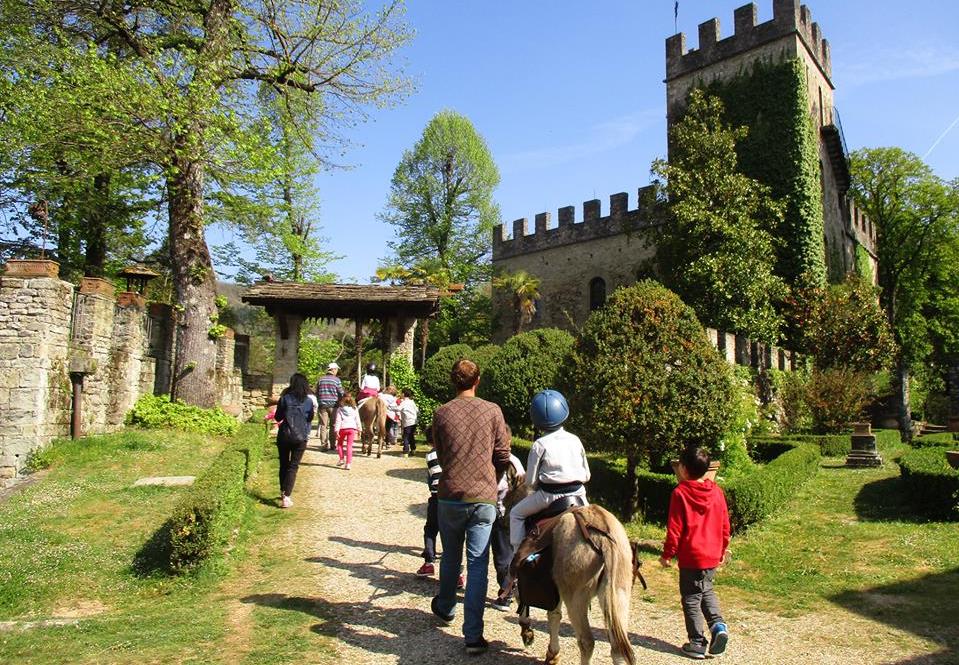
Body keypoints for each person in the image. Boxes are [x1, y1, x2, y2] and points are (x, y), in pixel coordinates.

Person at [430, 358, 511, 656]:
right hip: (483, 497)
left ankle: (447, 606)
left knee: (451, 556)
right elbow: (503, 454)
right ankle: (473, 636)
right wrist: (493, 477)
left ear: (454, 381)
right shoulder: (492, 411)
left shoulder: (441, 413)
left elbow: (439, 450)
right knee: (478, 564)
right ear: (477, 381)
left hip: (450, 495)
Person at [660, 445, 731, 660]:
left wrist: (667, 554)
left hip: (691, 556)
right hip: (711, 554)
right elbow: (725, 525)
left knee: (691, 597)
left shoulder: (680, 493)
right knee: (706, 590)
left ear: (682, 468)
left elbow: (675, 528)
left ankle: (697, 643)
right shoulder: (717, 492)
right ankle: (718, 626)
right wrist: (722, 549)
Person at [508, 389, 590, 551]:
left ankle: (518, 556)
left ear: (536, 419)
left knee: (516, 514)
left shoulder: (539, 444)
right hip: (579, 495)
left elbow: (530, 482)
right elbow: (587, 474)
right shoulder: (575, 439)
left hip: (549, 497)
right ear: (564, 412)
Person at [416, 426, 466, 587]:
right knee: (452, 535)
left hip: (437, 498)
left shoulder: (430, 455)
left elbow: (433, 477)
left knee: (430, 529)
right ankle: (457, 573)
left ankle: (429, 561)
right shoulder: (453, 453)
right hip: (453, 498)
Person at [274, 373, 315, 508]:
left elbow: (278, 417)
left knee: (284, 464)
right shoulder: (308, 401)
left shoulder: (285, 399)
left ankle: (282, 491)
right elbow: (310, 418)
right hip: (300, 437)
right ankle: (287, 496)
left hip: (284, 435)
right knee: (293, 466)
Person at [490, 450, 525, 611]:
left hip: (503, 515)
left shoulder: (498, 461)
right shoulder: (516, 460)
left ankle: (507, 592)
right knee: (511, 553)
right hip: (518, 515)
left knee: (502, 556)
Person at [315, 362, 345, 451]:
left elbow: (317, 392)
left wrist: (319, 401)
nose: (337, 371)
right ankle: (332, 445)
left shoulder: (320, 380)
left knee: (323, 425)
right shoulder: (337, 380)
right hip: (334, 406)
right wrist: (340, 402)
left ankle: (324, 445)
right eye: (336, 370)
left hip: (322, 405)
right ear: (333, 369)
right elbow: (341, 393)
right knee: (333, 425)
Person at [333, 392, 362, 470]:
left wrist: (336, 430)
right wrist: (360, 429)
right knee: (349, 446)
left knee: (339, 444)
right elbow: (357, 419)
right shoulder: (355, 408)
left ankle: (341, 459)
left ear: (343, 399)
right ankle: (348, 463)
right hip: (352, 428)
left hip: (343, 428)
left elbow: (338, 420)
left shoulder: (340, 409)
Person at [397, 388, 419, 456]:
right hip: (414, 421)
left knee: (405, 437)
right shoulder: (412, 402)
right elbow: (417, 411)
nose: (400, 394)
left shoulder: (403, 402)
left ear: (403, 394)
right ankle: (413, 450)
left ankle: (405, 452)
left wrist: (389, 407)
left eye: (401, 393)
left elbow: (398, 409)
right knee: (411, 436)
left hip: (407, 422)